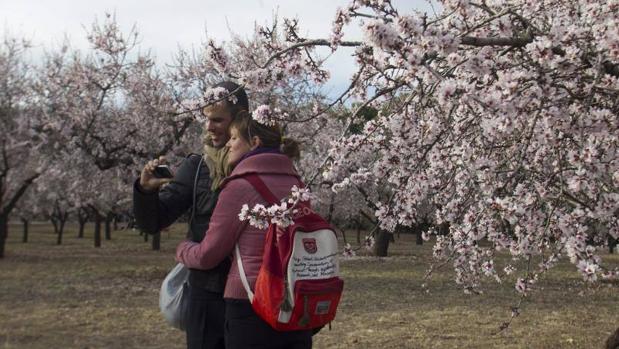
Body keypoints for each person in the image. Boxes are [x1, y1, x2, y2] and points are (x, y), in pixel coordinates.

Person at [175, 114, 313, 349]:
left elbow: (208, 255)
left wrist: (183, 249)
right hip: (294, 299)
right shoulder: (298, 186)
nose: (228, 144)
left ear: (255, 142)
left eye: (234, 137)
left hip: (251, 302)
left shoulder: (239, 186)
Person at [133, 81, 249, 349]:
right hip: (206, 295)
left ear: (239, 119)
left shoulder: (260, 164)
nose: (209, 127)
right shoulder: (196, 167)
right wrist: (145, 192)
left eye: (218, 120)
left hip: (252, 293)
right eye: (207, 119)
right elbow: (154, 222)